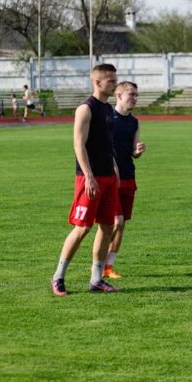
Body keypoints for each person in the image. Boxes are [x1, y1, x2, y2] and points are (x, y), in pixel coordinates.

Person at [51, 64, 121, 296]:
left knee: (107, 226)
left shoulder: (108, 109)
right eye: (110, 81)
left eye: (115, 80)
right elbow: (78, 144)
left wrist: (114, 168)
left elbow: (107, 144)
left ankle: (96, 279)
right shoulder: (85, 108)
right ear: (97, 82)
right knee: (82, 228)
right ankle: (58, 277)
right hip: (89, 178)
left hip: (108, 177)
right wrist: (89, 176)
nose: (114, 83)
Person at [96, 81, 146, 279]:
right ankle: (99, 265)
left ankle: (108, 267)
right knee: (115, 221)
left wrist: (137, 151)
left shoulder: (134, 122)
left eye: (136, 95)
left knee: (121, 223)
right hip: (110, 178)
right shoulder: (108, 118)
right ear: (118, 96)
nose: (134, 98)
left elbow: (133, 152)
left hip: (128, 177)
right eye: (131, 94)